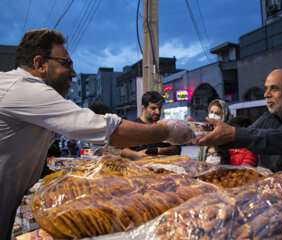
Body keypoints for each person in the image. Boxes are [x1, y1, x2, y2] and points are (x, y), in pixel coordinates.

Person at [0, 29, 193, 240]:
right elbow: (105, 129)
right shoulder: (23, 88)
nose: (73, 73)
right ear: (40, 65)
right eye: (66, 64)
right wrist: (170, 130)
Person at [198, 69, 282, 172]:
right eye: (266, 88)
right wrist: (203, 133)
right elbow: (246, 136)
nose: (266, 94)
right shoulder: (268, 118)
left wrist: (235, 133)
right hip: (274, 196)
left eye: (274, 88)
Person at [120, 91, 181, 158]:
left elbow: (177, 149)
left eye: (159, 108)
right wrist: (137, 155)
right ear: (143, 107)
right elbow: (122, 150)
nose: (158, 112)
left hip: (163, 167)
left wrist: (161, 151)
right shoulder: (132, 126)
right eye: (153, 108)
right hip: (138, 166)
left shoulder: (166, 126)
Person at [197, 99, 231, 163]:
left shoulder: (229, 133)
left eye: (217, 113)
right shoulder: (206, 134)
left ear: (224, 115)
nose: (213, 115)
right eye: (211, 112)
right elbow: (200, 159)